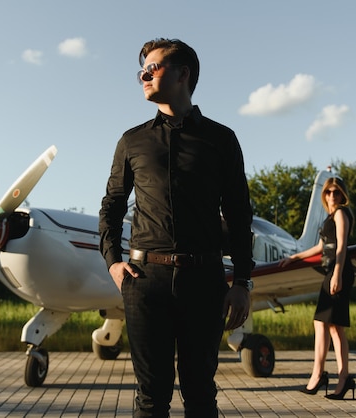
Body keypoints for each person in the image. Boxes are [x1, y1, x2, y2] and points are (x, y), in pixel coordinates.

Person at [98, 38, 254, 417]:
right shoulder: (132, 141)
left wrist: (242, 283)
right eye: (142, 70)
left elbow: (238, 213)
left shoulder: (221, 139)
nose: (143, 76)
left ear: (183, 73)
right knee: (150, 397)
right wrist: (113, 263)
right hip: (144, 279)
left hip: (204, 281)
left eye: (152, 68)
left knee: (201, 393)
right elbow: (112, 206)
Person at [279, 176, 356, 400]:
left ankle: (325, 376)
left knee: (328, 325)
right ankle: (336, 377)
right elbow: (321, 246)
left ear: (342, 195)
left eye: (337, 192)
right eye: (329, 192)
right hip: (332, 270)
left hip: (337, 271)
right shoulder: (329, 217)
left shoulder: (341, 213)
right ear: (325, 195)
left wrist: (338, 275)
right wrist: (295, 257)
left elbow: (342, 246)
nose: (333, 196)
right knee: (331, 327)